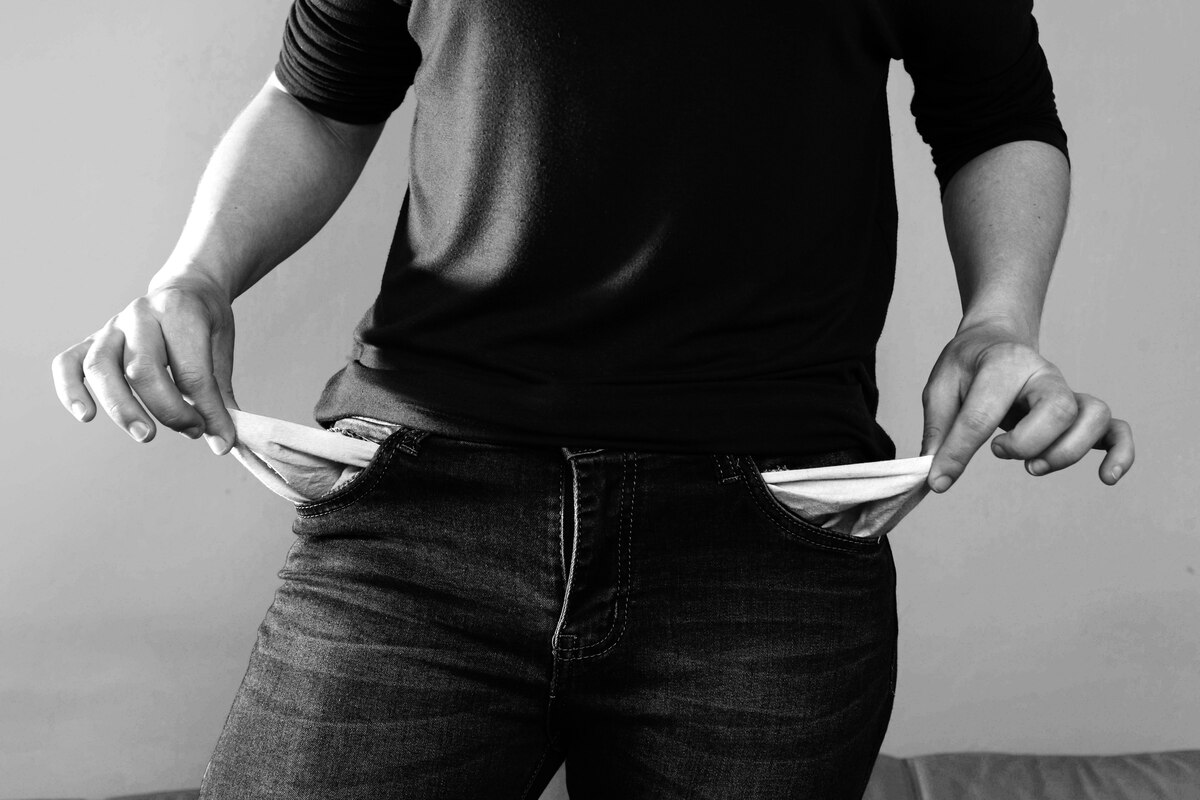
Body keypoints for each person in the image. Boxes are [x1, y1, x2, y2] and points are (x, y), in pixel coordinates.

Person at [51, 0, 1135, 797]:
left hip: (762, 548)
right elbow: (318, 95)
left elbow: (996, 111)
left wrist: (1000, 321)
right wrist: (195, 274)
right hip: (422, 518)